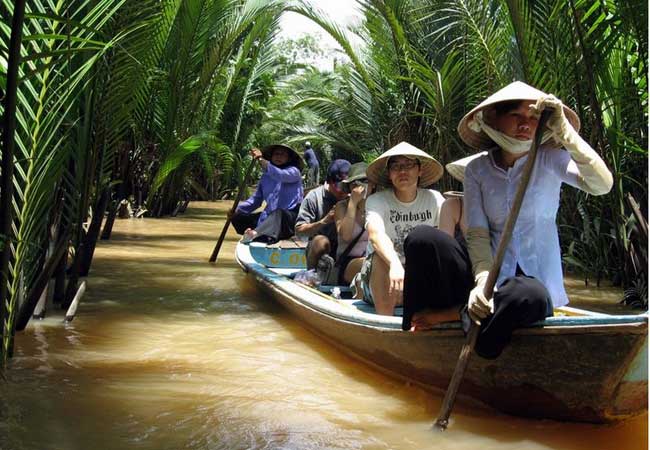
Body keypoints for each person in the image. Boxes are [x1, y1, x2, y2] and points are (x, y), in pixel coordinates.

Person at [456, 80, 613, 358]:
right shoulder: (477, 170)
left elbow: (602, 185)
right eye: (516, 115)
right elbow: (477, 232)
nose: (525, 124)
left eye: (533, 117)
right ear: (495, 118)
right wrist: (482, 283)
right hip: (497, 284)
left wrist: (565, 132)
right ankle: (479, 319)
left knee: (526, 292)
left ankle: (483, 350)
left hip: (539, 291)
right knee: (510, 292)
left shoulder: (551, 158)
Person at [360, 142, 453, 317]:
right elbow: (375, 234)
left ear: (420, 170)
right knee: (380, 259)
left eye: (409, 165)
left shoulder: (434, 199)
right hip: (383, 278)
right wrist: (395, 264)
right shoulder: (377, 201)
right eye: (396, 166)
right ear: (389, 173)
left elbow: (445, 241)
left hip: (420, 279)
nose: (402, 171)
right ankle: (385, 324)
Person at [230, 144, 304, 243]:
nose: (279, 156)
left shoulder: (294, 172)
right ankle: (257, 233)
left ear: (289, 158)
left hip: (289, 219)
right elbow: (255, 201)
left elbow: (280, 175)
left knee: (278, 213)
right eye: (276, 154)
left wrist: (260, 159)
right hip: (269, 218)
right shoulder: (265, 177)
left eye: (283, 154)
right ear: (271, 156)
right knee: (237, 217)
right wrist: (236, 210)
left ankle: (256, 234)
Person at [295, 159, 351, 269]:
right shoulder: (314, 197)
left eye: (347, 186)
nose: (344, 191)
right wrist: (323, 222)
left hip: (347, 249)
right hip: (318, 251)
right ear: (329, 181)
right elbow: (299, 231)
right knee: (321, 241)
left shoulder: (354, 198)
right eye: (340, 186)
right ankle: (312, 275)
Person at [334, 162, 372, 285]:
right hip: (347, 263)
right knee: (369, 265)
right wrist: (353, 203)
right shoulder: (341, 207)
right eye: (354, 183)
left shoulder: (379, 205)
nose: (360, 186)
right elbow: (346, 236)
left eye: (365, 181)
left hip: (374, 260)